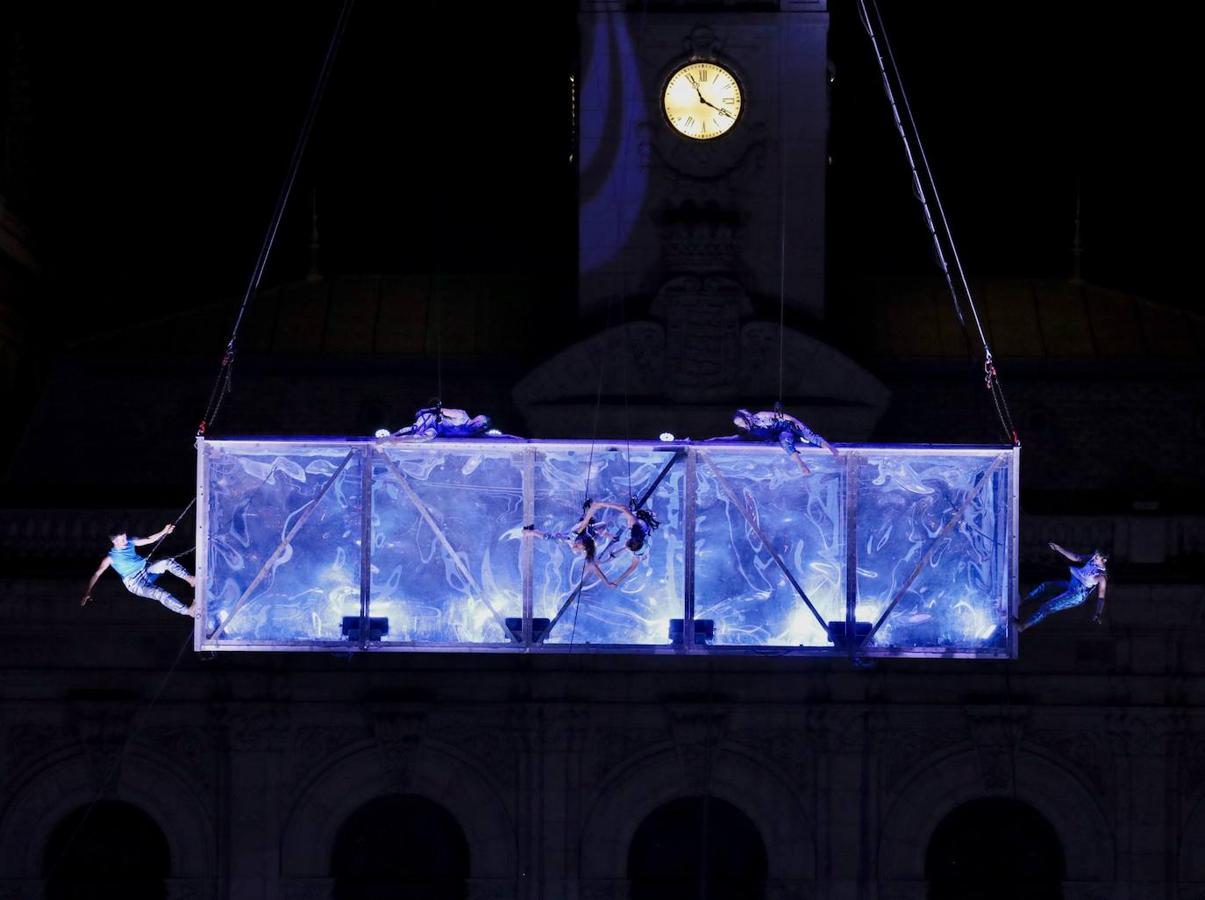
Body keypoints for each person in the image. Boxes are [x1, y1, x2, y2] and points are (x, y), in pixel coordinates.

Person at [524, 499, 652, 589]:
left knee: (555, 538)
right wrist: (597, 505)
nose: (575, 549)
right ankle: (533, 532)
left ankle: (532, 532)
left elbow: (596, 567)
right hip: (581, 531)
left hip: (588, 533)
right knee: (557, 537)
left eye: (578, 549)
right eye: (578, 547)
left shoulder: (638, 549)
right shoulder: (576, 534)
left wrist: (608, 582)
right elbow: (586, 520)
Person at [82, 525, 198, 618]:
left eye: (125, 537)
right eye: (121, 540)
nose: (125, 540)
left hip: (146, 571)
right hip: (136, 583)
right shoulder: (110, 558)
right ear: (114, 542)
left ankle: (191, 580)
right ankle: (188, 611)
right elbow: (97, 574)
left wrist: (164, 531)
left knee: (166, 561)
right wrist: (88, 591)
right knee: (160, 594)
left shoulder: (130, 541)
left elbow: (149, 539)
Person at [1016, 542, 1108, 632]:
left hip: (1077, 594)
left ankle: (1023, 626)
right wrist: (1059, 548)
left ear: (1104, 560)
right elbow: (1077, 558)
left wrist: (1098, 613)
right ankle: (1023, 602)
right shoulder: (1093, 558)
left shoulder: (1101, 577)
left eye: (1097, 557)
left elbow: (1101, 597)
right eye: (1095, 554)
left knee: (1047, 606)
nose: (1094, 557)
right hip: (1072, 584)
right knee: (1046, 586)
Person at [732, 407, 839, 475]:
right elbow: (740, 437)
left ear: (746, 417)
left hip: (789, 425)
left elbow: (783, 416)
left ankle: (831, 449)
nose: (742, 425)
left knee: (808, 435)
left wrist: (795, 421)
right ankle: (801, 464)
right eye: (739, 424)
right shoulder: (751, 430)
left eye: (741, 422)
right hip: (782, 433)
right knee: (785, 442)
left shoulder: (760, 415)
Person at [389, 403, 493, 439]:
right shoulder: (461, 415)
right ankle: (391, 436)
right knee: (415, 429)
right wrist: (422, 411)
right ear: (478, 419)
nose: (482, 427)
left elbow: (491, 437)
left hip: (436, 430)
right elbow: (440, 410)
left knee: (424, 437)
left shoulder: (470, 433)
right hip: (431, 419)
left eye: (484, 427)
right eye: (482, 424)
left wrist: (508, 437)